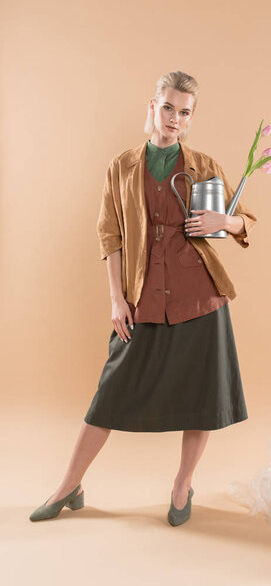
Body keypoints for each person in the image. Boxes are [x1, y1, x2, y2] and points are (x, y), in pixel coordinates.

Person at [29, 70, 257, 526]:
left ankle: (181, 485)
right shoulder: (122, 166)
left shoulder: (203, 166)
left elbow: (242, 221)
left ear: (192, 119)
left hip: (200, 298)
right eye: (168, 107)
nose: (175, 118)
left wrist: (223, 223)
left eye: (184, 112)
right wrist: (117, 298)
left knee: (202, 397)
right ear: (152, 107)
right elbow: (109, 234)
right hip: (141, 295)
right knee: (109, 394)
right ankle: (69, 486)